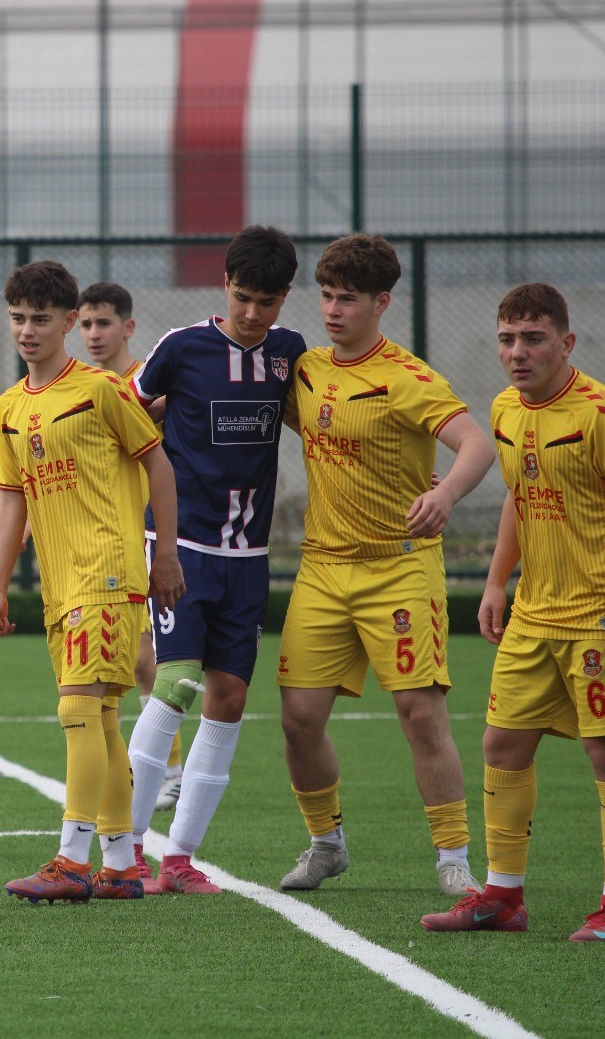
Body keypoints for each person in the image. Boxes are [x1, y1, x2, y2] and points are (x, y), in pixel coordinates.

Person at [277, 233, 494, 896]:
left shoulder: (407, 377)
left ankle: (453, 858)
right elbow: (302, 421)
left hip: (398, 567)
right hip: (322, 567)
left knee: (420, 715)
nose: (333, 310)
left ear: (381, 303)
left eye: (348, 298)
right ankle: (326, 845)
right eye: (326, 296)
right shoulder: (306, 368)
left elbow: (476, 444)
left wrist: (444, 495)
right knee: (298, 719)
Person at [0, 260, 185, 904]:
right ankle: (121, 864)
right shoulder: (9, 407)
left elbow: (158, 466)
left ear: (69, 321)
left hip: (109, 571)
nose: (27, 330)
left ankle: (72, 861)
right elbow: (11, 500)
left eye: (41, 319)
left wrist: (166, 555)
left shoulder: (101, 389)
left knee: (78, 709)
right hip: (60, 583)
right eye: (18, 318)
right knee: (99, 717)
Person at [124, 229, 309, 895]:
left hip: (249, 554)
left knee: (228, 698)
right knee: (176, 684)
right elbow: (124, 415)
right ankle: (125, 852)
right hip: (182, 546)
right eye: (241, 297)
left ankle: (178, 859)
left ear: (285, 297)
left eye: (266, 301)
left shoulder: (291, 353)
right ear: (224, 284)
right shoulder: (181, 347)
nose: (252, 313)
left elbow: (313, 422)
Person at [421, 284, 605, 941]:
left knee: (602, 753)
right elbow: (519, 496)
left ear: (567, 343)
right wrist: (497, 582)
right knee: (502, 743)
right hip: (533, 614)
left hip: (595, 618)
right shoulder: (504, 408)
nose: (517, 353)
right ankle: (502, 897)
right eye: (507, 339)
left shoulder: (596, 415)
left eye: (533, 339)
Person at [76, 281, 185, 812]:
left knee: (147, 660)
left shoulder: (147, 386)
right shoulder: (81, 387)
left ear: (129, 327)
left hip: (145, 537)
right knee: (127, 665)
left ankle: (170, 771)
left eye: (104, 323)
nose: (94, 334)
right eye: (86, 324)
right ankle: (151, 770)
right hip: (101, 541)